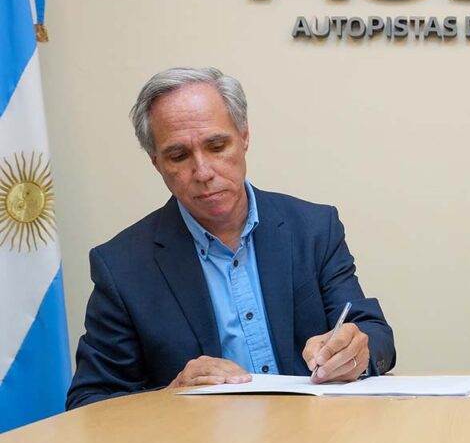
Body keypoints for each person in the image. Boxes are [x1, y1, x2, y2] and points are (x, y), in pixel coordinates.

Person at [66, 67, 395, 409]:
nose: (203, 172)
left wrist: (358, 351)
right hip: (195, 441)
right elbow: (88, 401)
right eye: (179, 156)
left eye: (216, 146)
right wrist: (169, 396)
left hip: (315, 432)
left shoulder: (313, 228)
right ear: (156, 162)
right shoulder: (122, 266)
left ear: (244, 137)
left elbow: (373, 332)